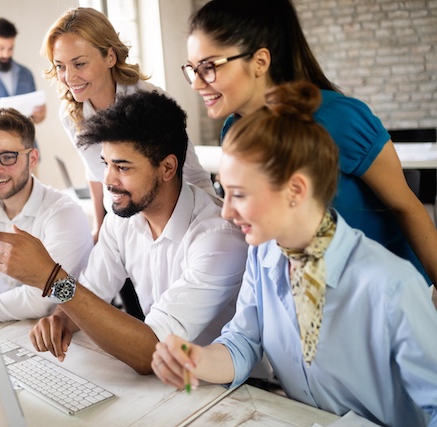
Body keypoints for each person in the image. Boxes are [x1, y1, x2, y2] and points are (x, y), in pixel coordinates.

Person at [151, 82, 437, 427]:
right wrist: (195, 360)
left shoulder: (393, 287)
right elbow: (243, 340)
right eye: (223, 192)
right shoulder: (262, 254)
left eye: (238, 195)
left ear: (296, 190)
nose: (225, 212)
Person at [0, 90, 248, 374]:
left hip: (235, 391)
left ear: (167, 167)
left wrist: (51, 278)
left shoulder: (217, 238)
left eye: (122, 167)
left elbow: (150, 353)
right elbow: (92, 292)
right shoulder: (123, 219)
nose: (108, 180)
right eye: (106, 164)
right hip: (173, 383)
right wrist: (61, 320)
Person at [183, 0, 437, 286]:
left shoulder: (338, 118)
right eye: (192, 68)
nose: (195, 83)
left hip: (379, 297)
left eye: (208, 67)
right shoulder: (234, 131)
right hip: (305, 299)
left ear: (260, 62)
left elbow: (407, 207)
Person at [42, 7, 215, 241]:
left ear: (110, 57)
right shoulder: (72, 112)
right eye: (60, 66)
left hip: (172, 223)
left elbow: (192, 174)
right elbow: (93, 171)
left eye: (79, 64)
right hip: (122, 222)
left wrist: (210, 228)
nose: (69, 77)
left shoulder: (150, 103)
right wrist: (99, 225)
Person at [0, 107, 92, 322]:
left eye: (7, 157)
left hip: (71, 335)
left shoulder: (64, 214)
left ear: (32, 159)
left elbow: (43, 300)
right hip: (14, 330)